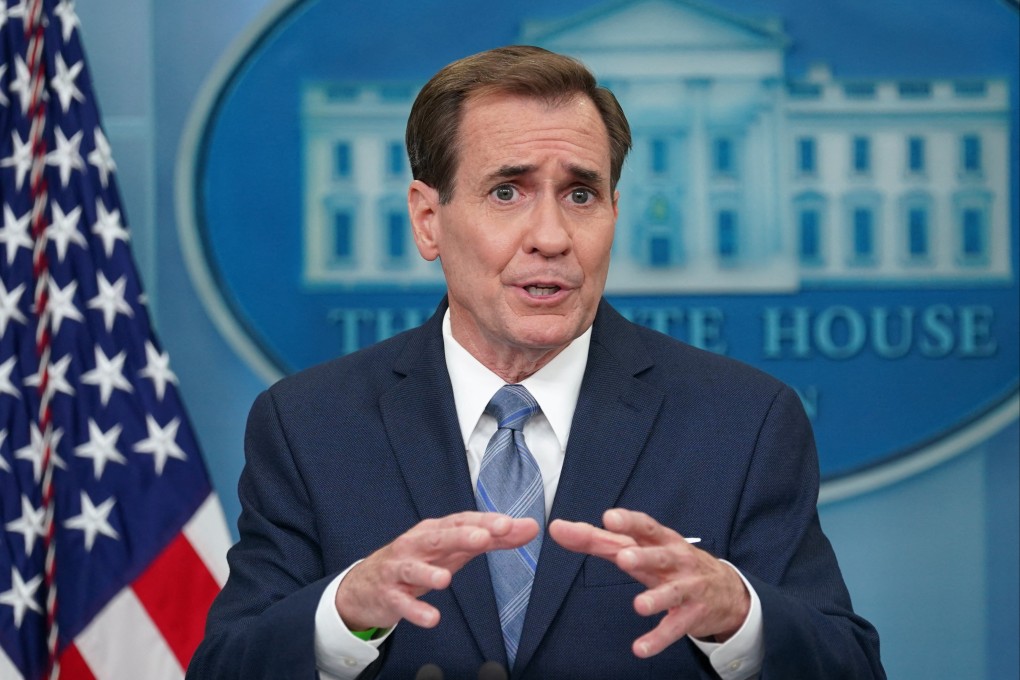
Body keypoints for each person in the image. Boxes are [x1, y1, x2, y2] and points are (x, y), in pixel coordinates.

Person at [187, 46, 885, 680]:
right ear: (429, 220)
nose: (551, 236)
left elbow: (850, 666)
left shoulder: (743, 421)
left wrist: (740, 616)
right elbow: (224, 668)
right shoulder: (309, 424)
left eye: (580, 195)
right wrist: (345, 612)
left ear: (614, 210)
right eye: (507, 191)